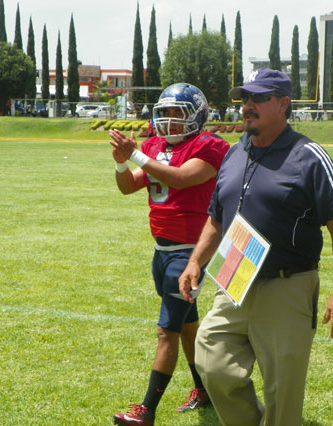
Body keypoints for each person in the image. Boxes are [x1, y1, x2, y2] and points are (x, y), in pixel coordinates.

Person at [179, 68, 333, 426]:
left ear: (283, 104)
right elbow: (216, 216)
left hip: (286, 283)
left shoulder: (309, 155)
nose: (248, 106)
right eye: (245, 98)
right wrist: (195, 262)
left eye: (258, 98)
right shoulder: (233, 153)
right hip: (233, 276)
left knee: (283, 394)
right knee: (212, 363)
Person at [110, 83, 230, 426]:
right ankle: (202, 389)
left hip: (189, 253)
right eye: (164, 113)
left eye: (178, 114)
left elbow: (178, 179)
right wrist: (122, 164)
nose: (170, 121)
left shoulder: (210, 146)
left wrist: (136, 156)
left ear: (197, 116)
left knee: (167, 331)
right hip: (162, 250)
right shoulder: (152, 146)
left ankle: (146, 410)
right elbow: (129, 186)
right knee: (187, 325)